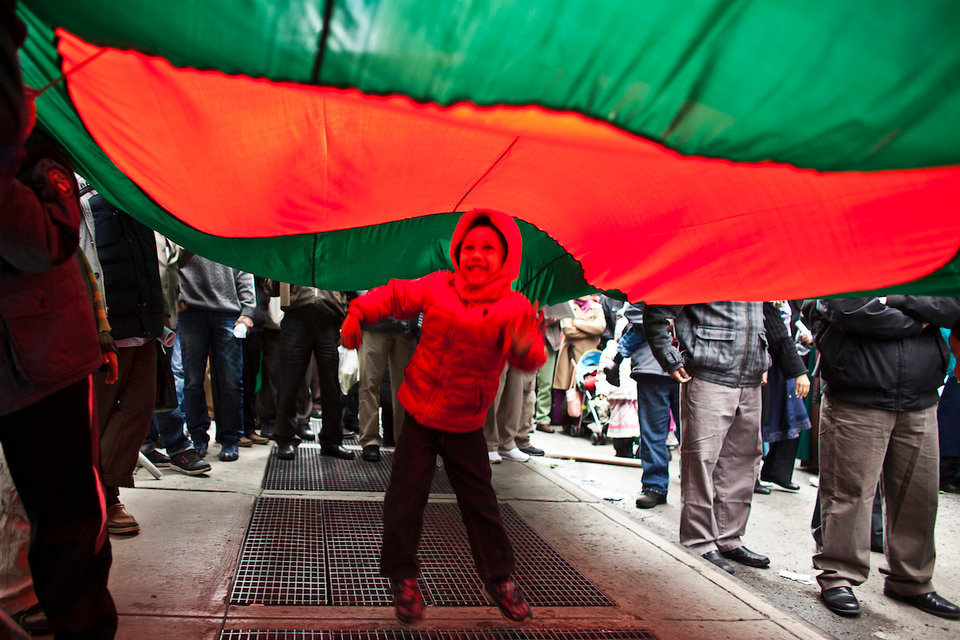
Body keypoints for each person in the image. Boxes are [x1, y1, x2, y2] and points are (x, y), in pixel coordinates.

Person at [340, 209, 545, 625]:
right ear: (457, 251)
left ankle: (500, 577)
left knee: (481, 505)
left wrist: (527, 345)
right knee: (404, 498)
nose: (475, 255)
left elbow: (530, 358)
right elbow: (394, 295)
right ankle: (403, 578)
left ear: (505, 256)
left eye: (488, 248)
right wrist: (358, 312)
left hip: (465, 425)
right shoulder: (439, 286)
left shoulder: (514, 306)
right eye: (468, 246)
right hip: (418, 415)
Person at [0, 74, 117, 636]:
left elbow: (51, 244)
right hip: (25, 362)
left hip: (45, 366)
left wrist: (103, 336)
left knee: (67, 526)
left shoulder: (41, 160)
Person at [805, 296, 960, 620]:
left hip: (919, 397)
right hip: (857, 393)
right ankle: (838, 575)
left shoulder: (925, 256)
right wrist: (918, 320)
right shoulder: (844, 254)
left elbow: (950, 307)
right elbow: (851, 311)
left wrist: (900, 301)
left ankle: (912, 579)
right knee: (849, 493)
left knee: (919, 495)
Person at [644, 302, 775, 574]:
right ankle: (700, 541)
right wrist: (669, 356)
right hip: (707, 373)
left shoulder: (756, 268)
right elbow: (657, 310)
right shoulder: (702, 264)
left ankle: (729, 537)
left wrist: (762, 358)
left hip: (749, 379)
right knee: (701, 460)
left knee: (743, 460)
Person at [81, 191, 166, 535]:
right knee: (96, 419)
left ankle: (99, 489)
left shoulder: (142, 200)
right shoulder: (85, 202)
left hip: (146, 324)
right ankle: (106, 497)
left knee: (138, 410)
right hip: (108, 327)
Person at [177, 252, 255, 461]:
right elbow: (170, 261)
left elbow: (243, 266)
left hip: (227, 312)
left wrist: (247, 311)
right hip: (191, 310)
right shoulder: (186, 224)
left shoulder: (230, 226)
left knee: (230, 380)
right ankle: (198, 437)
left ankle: (230, 438)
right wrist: (176, 296)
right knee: (193, 380)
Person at [262, 281, 353, 460]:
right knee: (289, 382)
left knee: (331, 384)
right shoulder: (292, 252)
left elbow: (351, 281)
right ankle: (285, 438)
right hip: (296, 315)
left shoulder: (334, 253)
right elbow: (270, 288)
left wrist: (348, 312)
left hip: (330, 317)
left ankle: (332, 440)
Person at [758, 301, 811, 492]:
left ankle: (777, 470)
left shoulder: (793, 299)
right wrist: (798, 371)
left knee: (794, 418)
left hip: (786, 360)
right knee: (758, 422)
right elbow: (777, 334)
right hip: (769, 362)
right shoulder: (767, 299)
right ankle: (754, 474)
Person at [356, 312, 417, 462]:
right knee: (369, 382)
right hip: (374, 321)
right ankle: (370, 440)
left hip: (405, 324)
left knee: (405, 387)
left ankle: (403, 440)